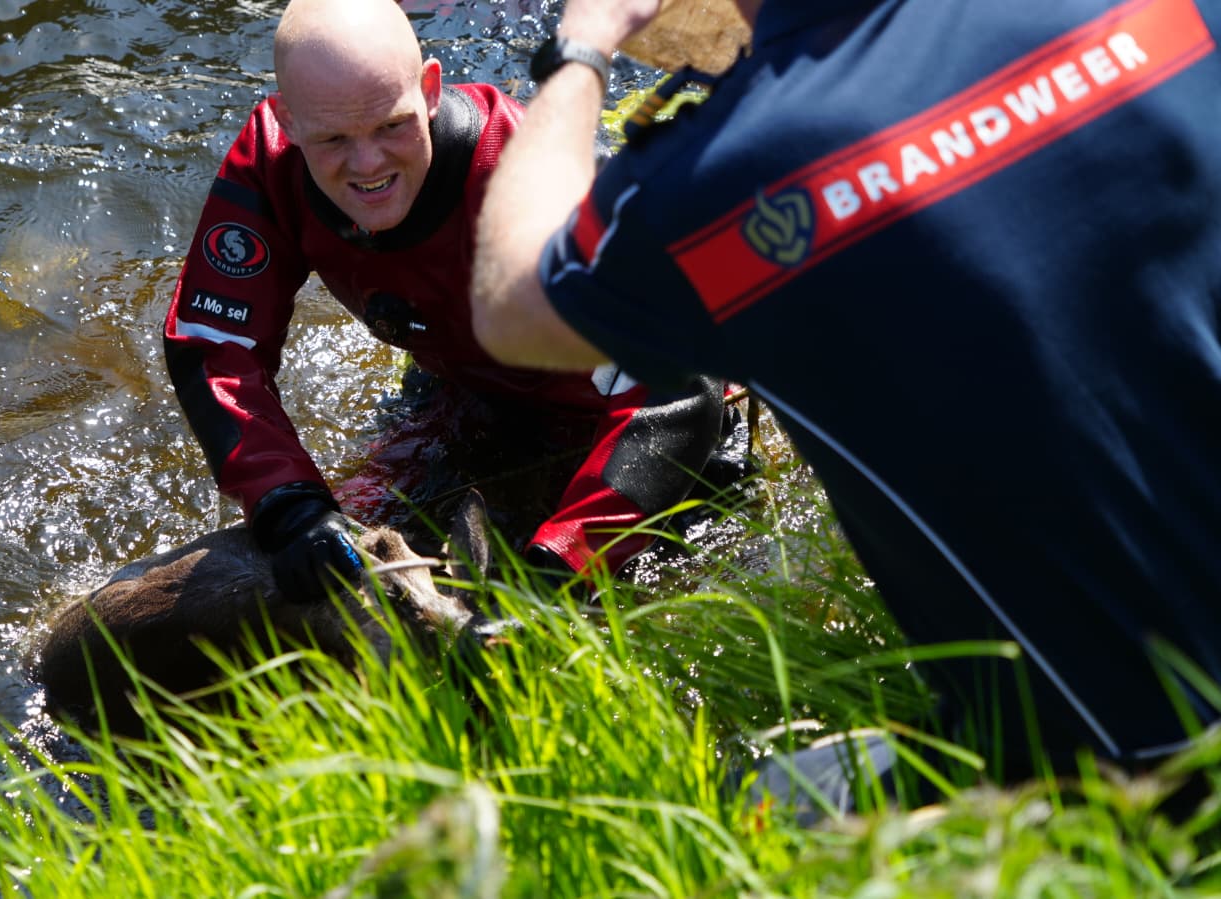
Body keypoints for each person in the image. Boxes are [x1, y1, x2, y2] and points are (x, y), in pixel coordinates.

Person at [470, 0, 1221, 776]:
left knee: (758, 793)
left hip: (1139, 778)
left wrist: (580, 52)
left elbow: (508, 304)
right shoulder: (1159, 16)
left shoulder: (721, 184)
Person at [163, 0, 733, 603]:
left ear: (431, 90)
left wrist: (558, 572)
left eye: (391, 125)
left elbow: (685, 381)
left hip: (627, 437)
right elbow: (216, 344)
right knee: (328, 574)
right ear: (289, 120)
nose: (367, 165)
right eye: (332, 138)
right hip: (466, 396)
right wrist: (290, 505)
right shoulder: (271, 168)